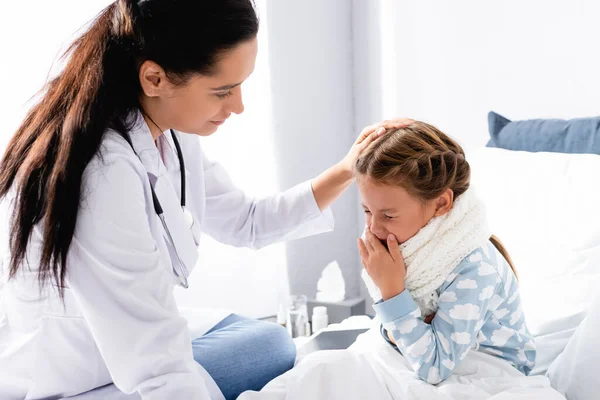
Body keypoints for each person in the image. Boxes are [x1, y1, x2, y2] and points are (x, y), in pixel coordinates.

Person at [0, 1, 407, 399]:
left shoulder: (168, 131)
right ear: (154, 79)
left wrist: (347, 169)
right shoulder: (102, 173)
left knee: (269, 343)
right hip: (70, 370)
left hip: (120, 346)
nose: (239, 106)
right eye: (223, 91)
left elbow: (247, 221)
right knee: (185, 365)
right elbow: (155, 354)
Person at [357, 121, 536, 384]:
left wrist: (393, 292)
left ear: (441, 203)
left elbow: (433, 366)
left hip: (490, 374)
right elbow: (396, 333)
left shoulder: (475, 268)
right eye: (367, 211)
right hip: (432, 360)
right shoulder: (415, 253)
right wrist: (406, 326)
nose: (373, 226)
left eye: (388, 215)